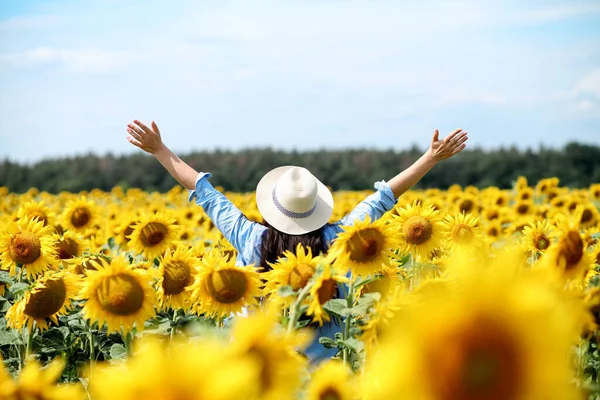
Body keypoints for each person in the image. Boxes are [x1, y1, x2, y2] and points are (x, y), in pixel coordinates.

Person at [126, 120, 468, 361]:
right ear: (315, 207)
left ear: (272, 206)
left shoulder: (250, 237)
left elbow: (203, 191)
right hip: (319, 377)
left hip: (259, 369)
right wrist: (431, 158)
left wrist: (159, 150)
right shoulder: (338, 240)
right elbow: (382, 199)